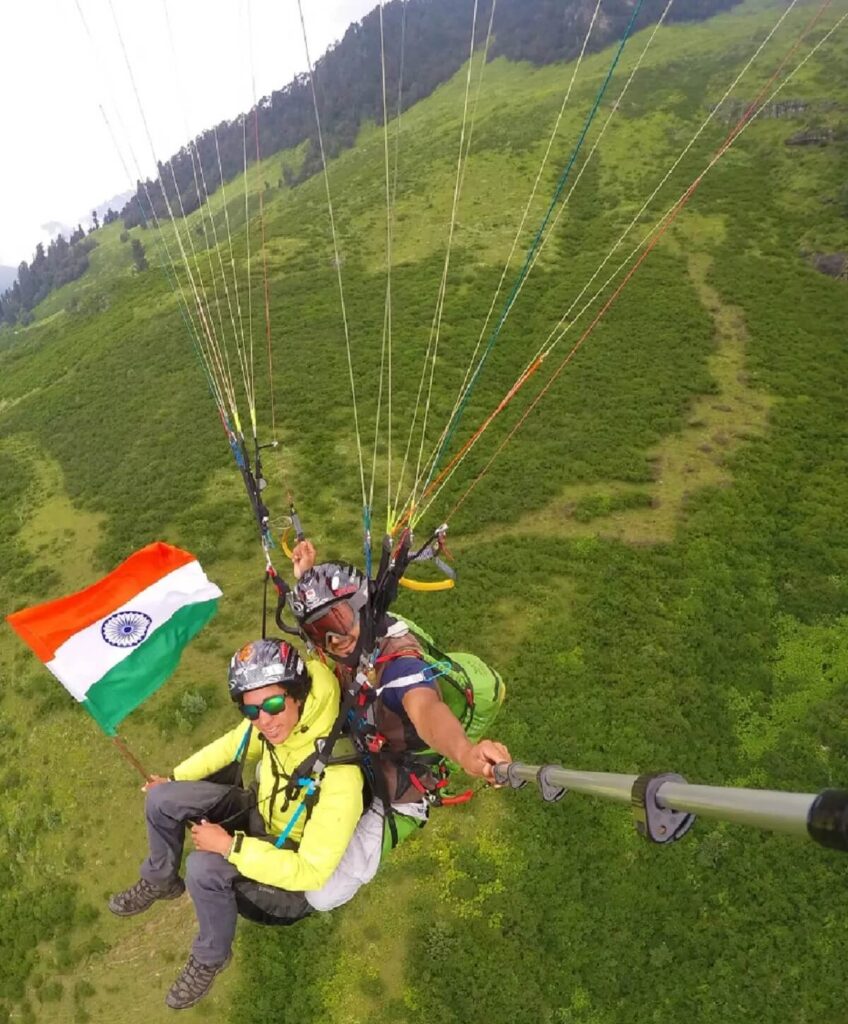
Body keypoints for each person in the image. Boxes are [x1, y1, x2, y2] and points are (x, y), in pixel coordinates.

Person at [108, 638, 363, 1010]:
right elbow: (231, 746)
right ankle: (160, 879)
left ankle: (211, 957)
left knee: (202, 866)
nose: (264, 720)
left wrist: (229, 846)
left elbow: (310, 872)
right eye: (251, 711)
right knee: (162, 799)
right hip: (260, 814)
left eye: (273, 705)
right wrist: (175, 777)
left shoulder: (341, 776)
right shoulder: (280, 726)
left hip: (287, 863)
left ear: (298, 695)